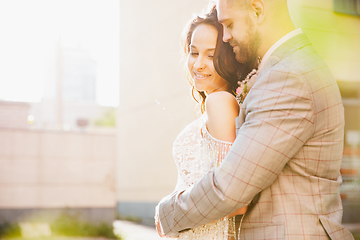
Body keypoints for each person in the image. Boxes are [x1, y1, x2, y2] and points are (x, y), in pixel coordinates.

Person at [156, 0, 355, 239]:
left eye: (229, 24)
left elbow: (230, 190)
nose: (226, 37)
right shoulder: (284, 69)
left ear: (258, 10)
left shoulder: (289, 75)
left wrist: (167, 213)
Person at [154, 5, 257, 240]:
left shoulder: (220, 103)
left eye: (211, 56)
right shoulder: (222, 102)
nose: (198, 64)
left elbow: (232, 199)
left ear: (230, 58)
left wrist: (169, 212)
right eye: (193, 52)